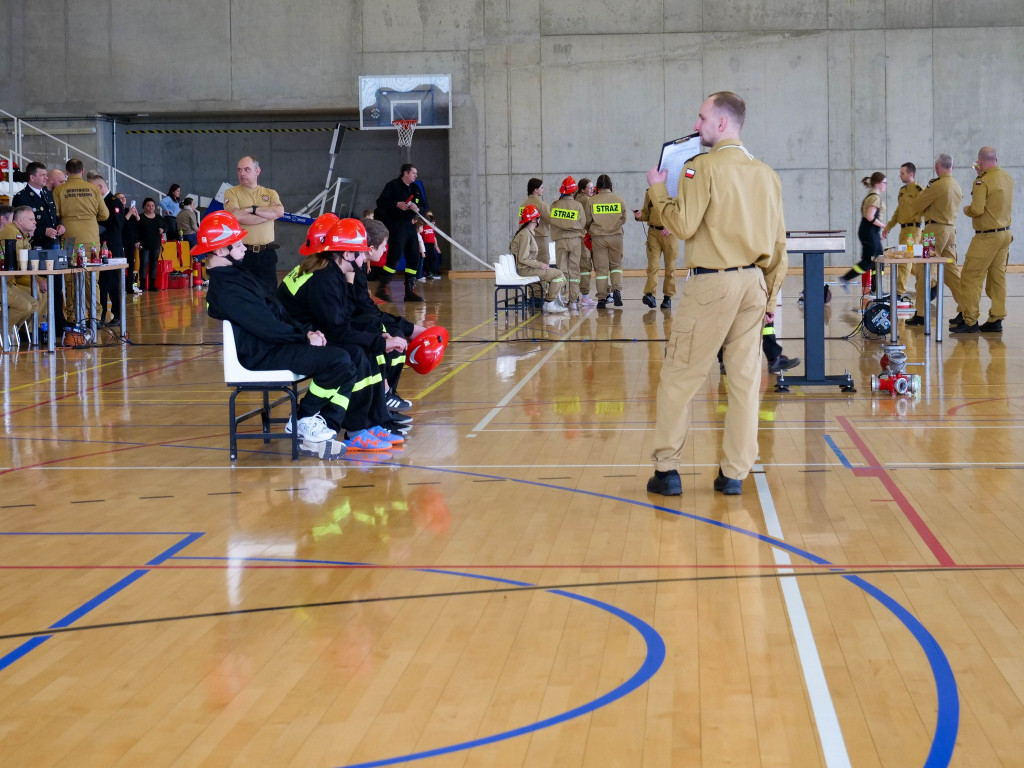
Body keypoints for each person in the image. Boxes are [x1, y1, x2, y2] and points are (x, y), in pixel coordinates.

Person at [644, 91, 787, 497]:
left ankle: (668, 469)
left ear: (722, 123)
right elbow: (779, 248)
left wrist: (658, 191)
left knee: (679, 376)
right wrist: (771, 300)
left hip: (713, 284)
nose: (696, 124)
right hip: (754, 284)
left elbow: (684, 226)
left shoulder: (699, 168)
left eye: (702, 117)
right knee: (743, 382)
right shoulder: (767, 174)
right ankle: (734, 474)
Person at [202, 211, 363, 460]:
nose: (244, 246)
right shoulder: (227, 289)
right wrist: (303, 339)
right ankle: (302, 419)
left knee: (349, 357)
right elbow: (266, 326)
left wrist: (306, 331)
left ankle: (325, 428)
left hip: (274, 345)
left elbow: (275, 312)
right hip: (263, 353)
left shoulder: (235, 275)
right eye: (237, 243)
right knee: (338, 360)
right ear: (221, 251)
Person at [277, 218, 405, 449]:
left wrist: (378, 338)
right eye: (360, 251)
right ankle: (353, 429)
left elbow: (341, 320)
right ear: (346, 254)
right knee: (356, 354)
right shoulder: (324, 279)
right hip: (297, 343)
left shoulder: (332, 273)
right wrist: (377, 342)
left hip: (313, 335)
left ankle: (371, 422)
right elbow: (337, 329)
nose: (364, 256)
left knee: (366, 347)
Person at [359, 218, 427, 410]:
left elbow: (366, 310)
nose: (386, 250)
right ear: (370, 247)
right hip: (318, 336)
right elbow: (360, 314)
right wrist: (385, 336)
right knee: (375, 346)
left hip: (343, 325)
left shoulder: (357, 268)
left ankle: (387, 400)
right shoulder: (346, 272)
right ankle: (380, 404)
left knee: (396, 335)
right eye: (383, 245)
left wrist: (406, 327)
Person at [953, 146, 1015, 334]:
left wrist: (966, 210)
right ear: (996, 159)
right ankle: (996, 318)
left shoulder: (982, 181)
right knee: (998, 278)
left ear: (979, 162)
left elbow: (977, 209)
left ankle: (970, 320)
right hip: (1005, 234)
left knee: (971, 276)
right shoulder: (1007, 177)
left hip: (987, 236)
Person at [906, 153, 964, 325]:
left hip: (933, 232)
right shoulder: (956, 186)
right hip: (951, 231)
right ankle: (967, 310)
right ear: (951, 167)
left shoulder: (937, 185)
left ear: (937, 167)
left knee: (923, 268)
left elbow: (917, 205)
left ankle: (921, 313)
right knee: (951, 272)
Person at [224, 155, 285, 292]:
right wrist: (268, 215)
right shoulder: (231, 192)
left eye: (246, 169)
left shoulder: (270, 193)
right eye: (239, 170)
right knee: (245, 294)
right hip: (243, 253)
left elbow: (279, 212)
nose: (242, 173)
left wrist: (252, 209)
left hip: (267, 253)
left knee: (270, 295)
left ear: (258, 171)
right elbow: (236, 215)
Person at [374, 163, 425, 302]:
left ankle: (410, 292)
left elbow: (423, 206)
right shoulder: (393, 185)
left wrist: (416, 208)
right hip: (396, 225)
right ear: (406, 173)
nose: (416, 175)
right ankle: (381, 289)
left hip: (410, 225)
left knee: (414, 256)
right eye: (414, 173)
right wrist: (397, 204)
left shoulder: (415, 188)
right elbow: (381, 203)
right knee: (394, 256)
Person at [510, 205, 567, 314]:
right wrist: (540, 265)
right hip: (525, 269)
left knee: (561, 278)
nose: (539, 220)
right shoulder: (525, 235)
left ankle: (551, 301)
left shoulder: (528, 233)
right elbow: (523, 258)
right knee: (558, 275)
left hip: (528, 267)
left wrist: (539, 264)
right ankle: (549, 303)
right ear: (532, 220)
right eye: (537, 218)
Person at [882, 162, 924, 304]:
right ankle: (930, 282)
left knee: (905, 260)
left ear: (910, 174)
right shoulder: (902, 191)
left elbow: (926, 210)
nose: (900, 175)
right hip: (903, 230)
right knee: (905, 260)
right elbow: (898, 212)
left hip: (913, 230)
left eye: (902, 173)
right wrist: (889, 226)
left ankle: (898, 293)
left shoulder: (919, 191)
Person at [840, 172, 887, 292]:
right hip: (869, 231)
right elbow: (870, 216)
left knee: (878, 260)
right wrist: (884, 226)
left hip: (870, 232)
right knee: (869, 261)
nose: (885, 185)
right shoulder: (874, 197)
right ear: (878, 183)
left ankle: (876, 289)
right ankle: (846, 278)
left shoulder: (871, 196)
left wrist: (877, 235)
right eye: (884, 183)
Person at [88, 174, 125, 325]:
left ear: (99, 187)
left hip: (111, 247)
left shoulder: (113, 201)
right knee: (101, 283)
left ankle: (117, 315)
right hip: (99, 246)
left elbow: (116, 225)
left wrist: (97, 228)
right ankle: (100, 316)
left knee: (112, 283)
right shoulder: (99, 202)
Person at [636, 186, 678, 309]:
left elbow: (681, 213)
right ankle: (650, 295)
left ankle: (668, 297)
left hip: (670, 234)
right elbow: (646, 212)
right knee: (653, 266)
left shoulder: (675, 190)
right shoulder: (650, 192)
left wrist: (671, 226)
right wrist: (639, 215)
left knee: (670, 268)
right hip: (653, 233)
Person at [0, 206, 40, 334]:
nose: (35, 222)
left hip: (8, 282)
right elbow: (17, 261)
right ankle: (4, 332)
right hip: (3, 281)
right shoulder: (12, 232)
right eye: (31, 219)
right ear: (21, 221)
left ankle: (12, 331)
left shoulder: (21, 234)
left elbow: (25, 257)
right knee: (25, 306)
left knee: (33, 303)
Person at [548, 176, 586, 309]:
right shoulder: (578, 205)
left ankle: (562, 298)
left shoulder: (555, 205)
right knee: (574, 271)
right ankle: (574, 301)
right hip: (575, 241)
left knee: (561, 270)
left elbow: (551, 221)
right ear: (574, 191)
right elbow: (583, 223)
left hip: (560, 241)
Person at [574, 178, 596, 305]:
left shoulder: (578, 199)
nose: (592, 190)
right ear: (582, 189)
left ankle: (579, 295)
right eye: (590, 188)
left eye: (593, 187)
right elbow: (589, 220)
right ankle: (585, 296)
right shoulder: (586, 201)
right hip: (583, 237)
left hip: (579, 236)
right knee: (585, 266)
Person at [520, 178, 552, 267]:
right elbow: (550, 220)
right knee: (543, 261)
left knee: (530, 262)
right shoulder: (541, 204)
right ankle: (543, 281)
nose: (543, 190)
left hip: (526, 237)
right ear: (536, 190)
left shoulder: (523, 205)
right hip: (540, 237)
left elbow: (521, 221)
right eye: (542, 188)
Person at [118, 193, 141, 293]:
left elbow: (137, 225)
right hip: (121, 240)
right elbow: (121, 224)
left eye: (124, 197)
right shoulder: (117, 211)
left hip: (131, 240)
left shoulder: (129, 210)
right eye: (120, 198)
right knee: (122, 263)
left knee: (131, 263)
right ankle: (121, 287)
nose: (123, 199)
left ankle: (130, 286)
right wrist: (129, 214)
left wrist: (136, 216)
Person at [421, 211, 441, 279]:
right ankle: (428, 272)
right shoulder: (423, 228)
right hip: (425, 245)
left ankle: (433, 272)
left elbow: (434, 237)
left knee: (433, 258)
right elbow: (420, 237)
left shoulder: (432, 228)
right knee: (427, 259)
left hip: (431, 245)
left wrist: (436, 246)